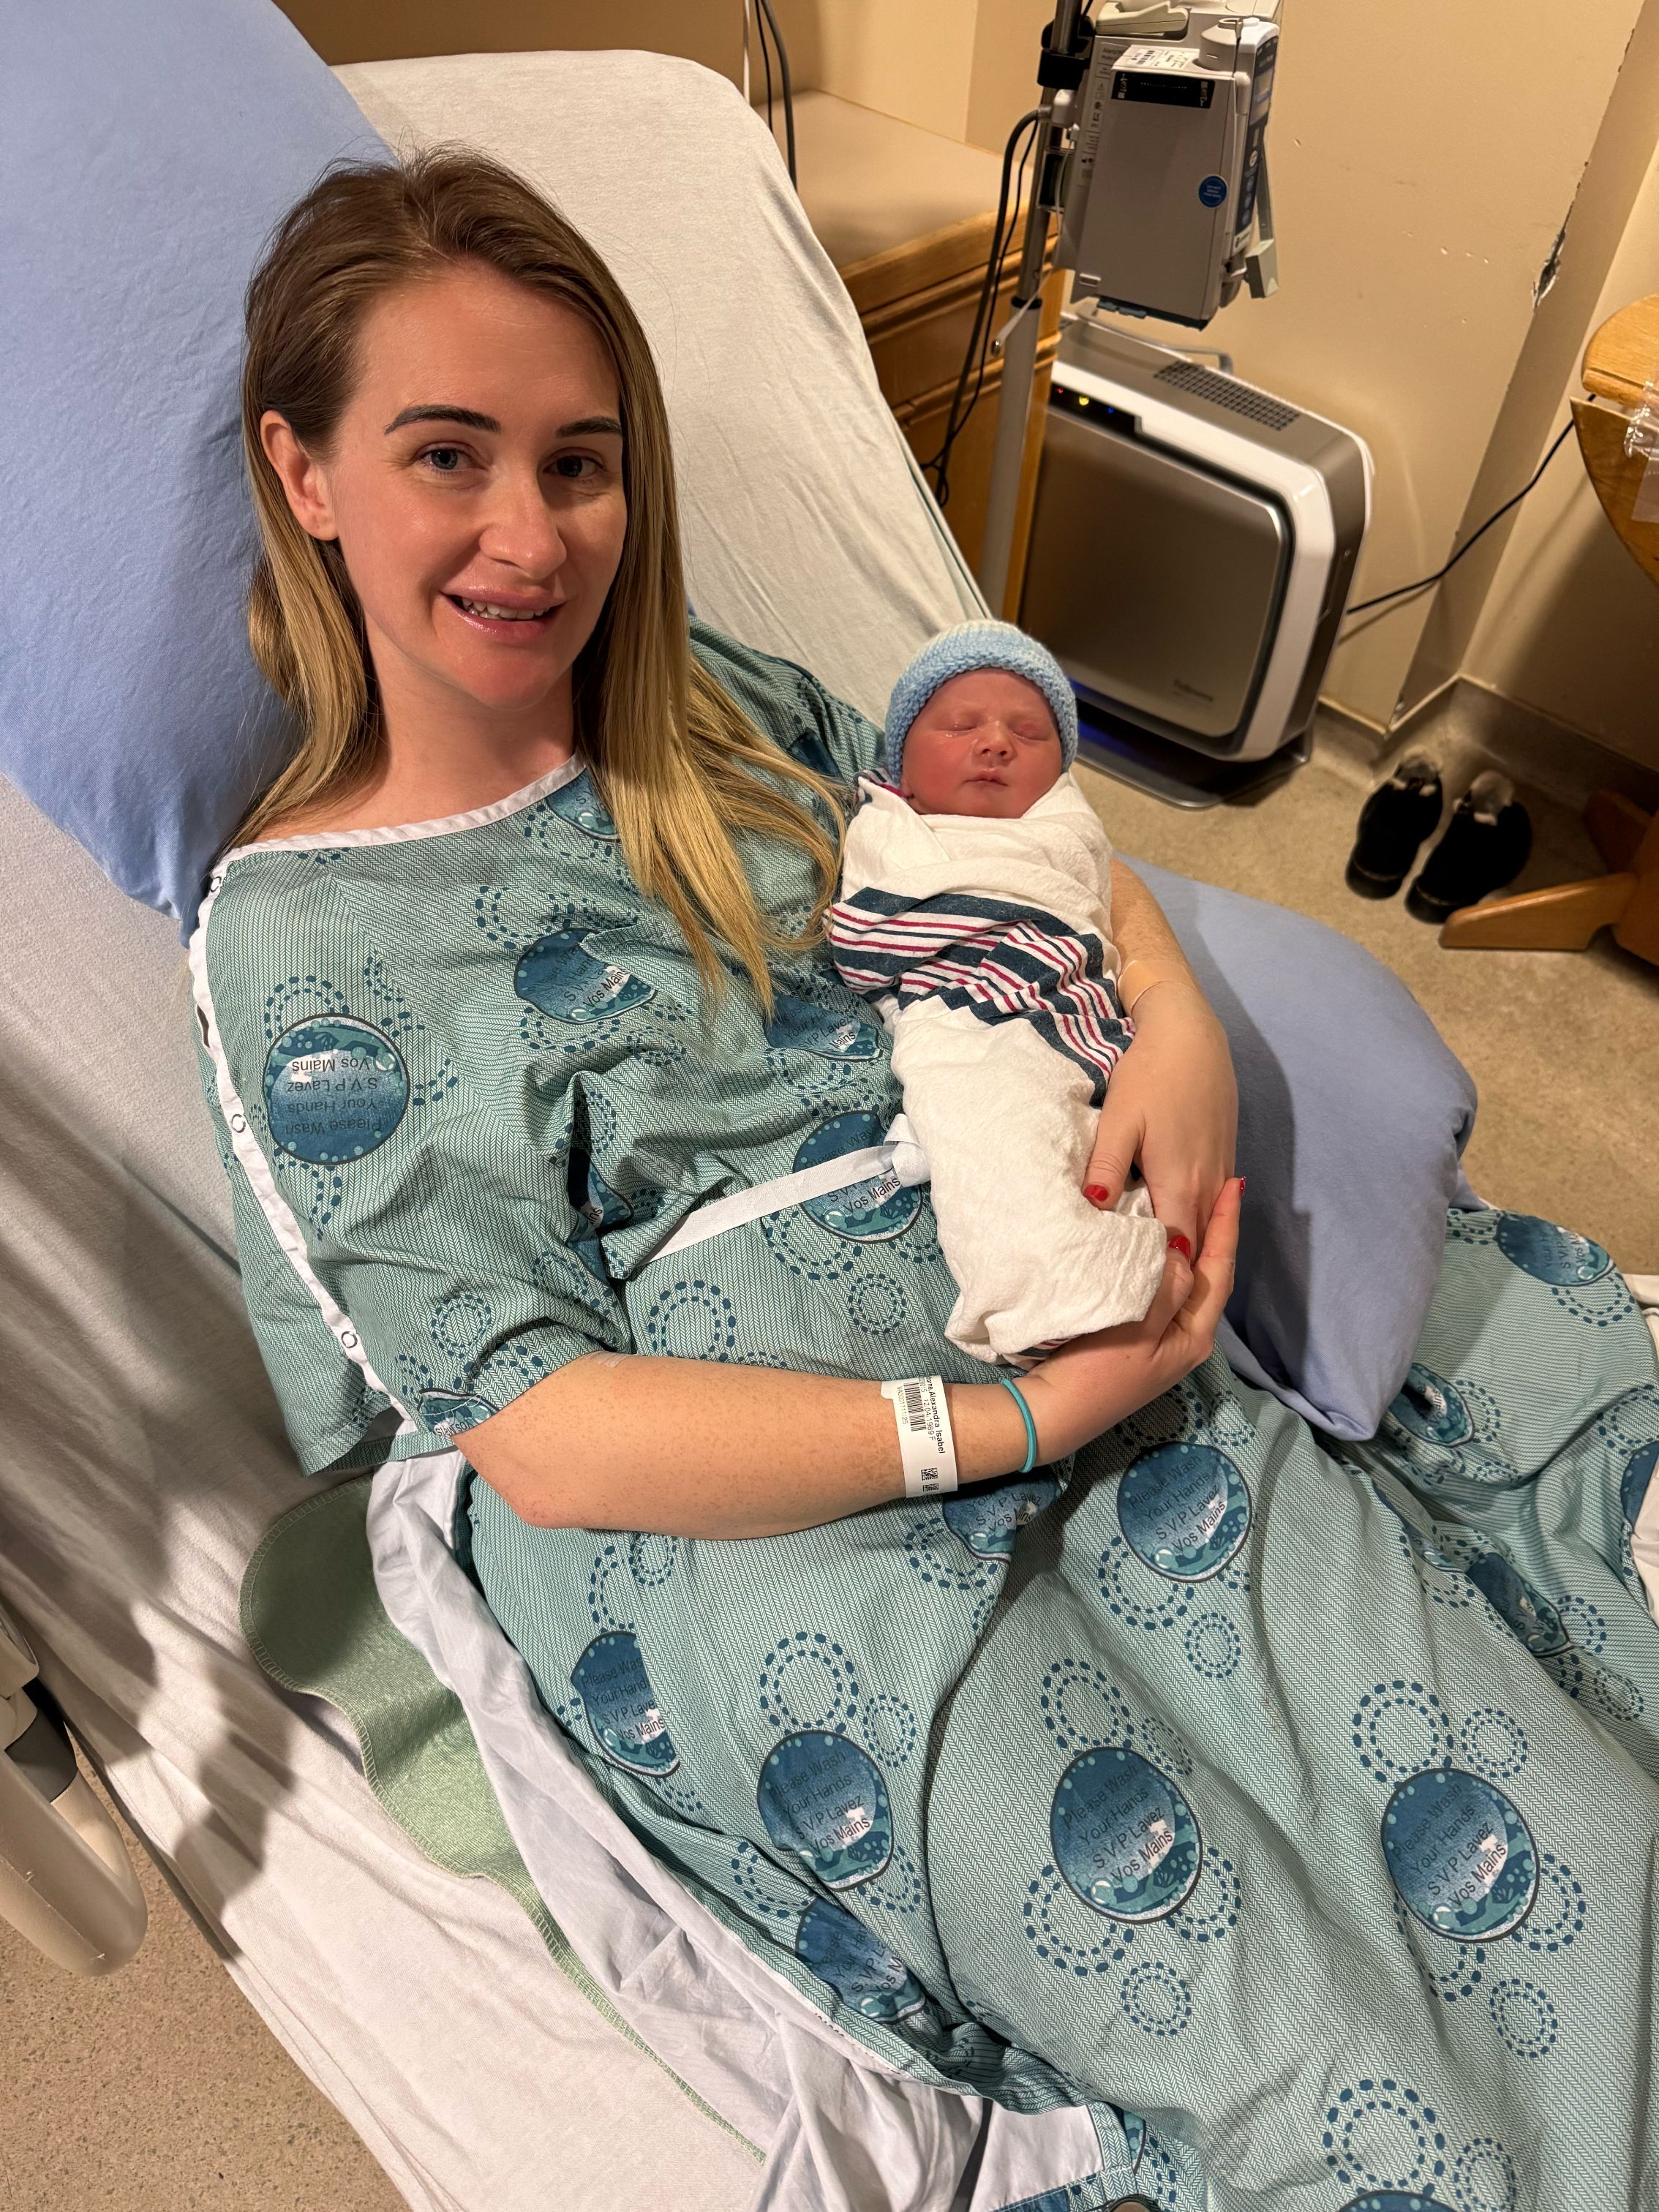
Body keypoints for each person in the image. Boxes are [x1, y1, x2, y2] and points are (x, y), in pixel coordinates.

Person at [193, 149, 1659, 2208]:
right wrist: (1009, 1425)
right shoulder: (298, 950)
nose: (532, 536)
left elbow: (1025, 859)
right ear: (307, 472)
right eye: (449, 455)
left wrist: (1174, 1032)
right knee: (1275, 2023)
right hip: (757, 1499)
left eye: (580, 464)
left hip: (1030, 1276)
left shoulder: (722, 712)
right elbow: (538, 1430)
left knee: (1537, 1833)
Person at [831, 621, 1175, 1364]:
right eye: (961, 726)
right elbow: (865, 943)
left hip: (1076, 999)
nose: (995, 744)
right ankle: (1051, 1292)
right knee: (991, 1128)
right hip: (964, 1013)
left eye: (1029, 733)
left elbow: (1081, 905)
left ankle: (1142, 1253)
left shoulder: (1065, 826)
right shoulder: (888, 826)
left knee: (1128, 1138)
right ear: (902, 765)